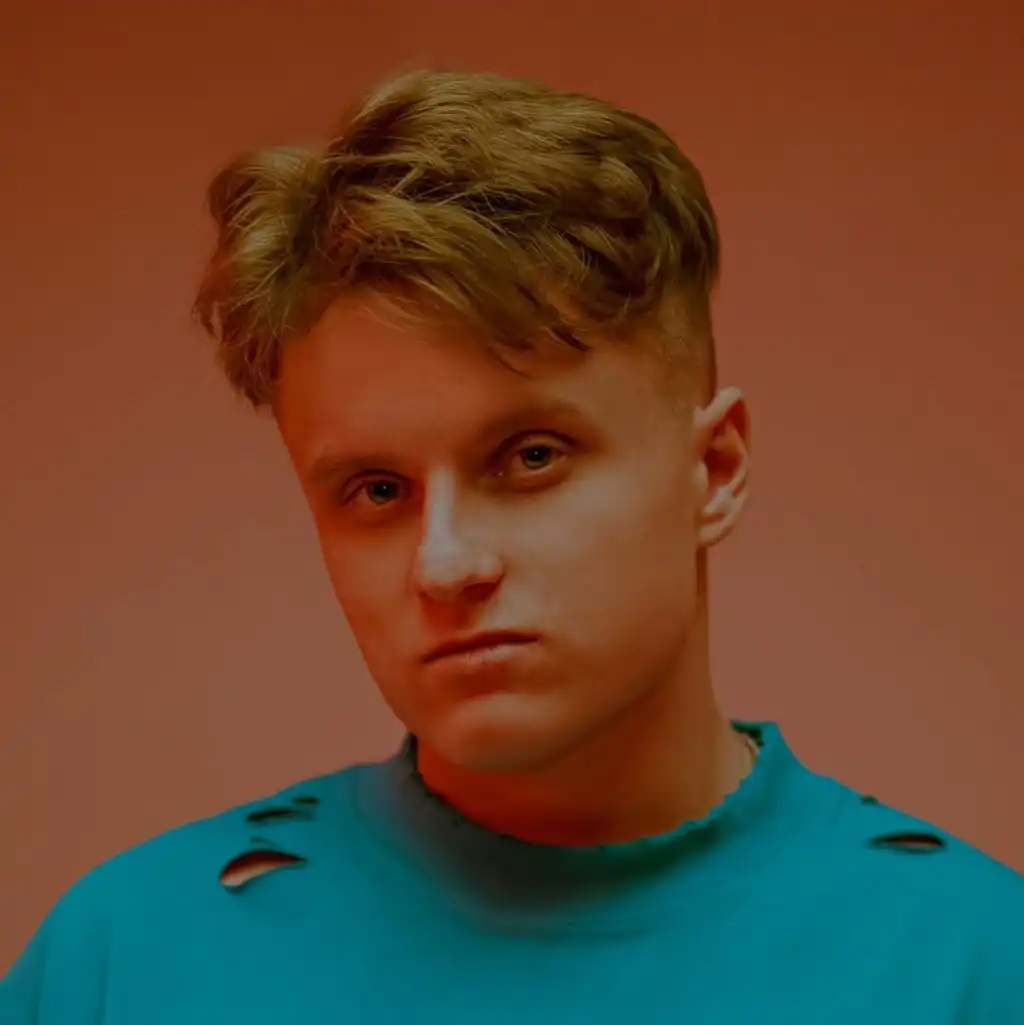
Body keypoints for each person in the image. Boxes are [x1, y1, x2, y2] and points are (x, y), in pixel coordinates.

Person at [2, 68, 1021, 1024]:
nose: (445, 563)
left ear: (712, 470)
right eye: (377, 489)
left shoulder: (974, 967)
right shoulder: (124, 964)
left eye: (531, 456)